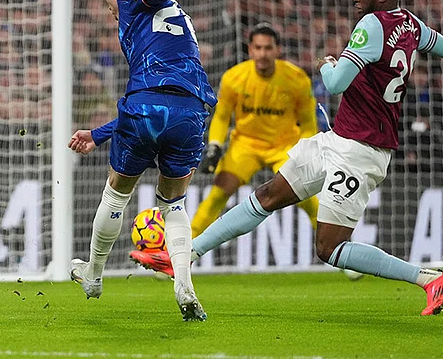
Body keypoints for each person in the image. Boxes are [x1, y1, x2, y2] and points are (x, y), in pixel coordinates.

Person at [130, 0, 443, 316]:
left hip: (361, 151)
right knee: (267, 195)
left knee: (329, 249)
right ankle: (185, 255)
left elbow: (337, 83)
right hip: (340, 140)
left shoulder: (371, 25)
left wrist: (328, 65)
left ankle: (428, 278)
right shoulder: (411, 24)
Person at [67, 0, 216, 322]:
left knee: (117, 191)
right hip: (191, 111)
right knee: (174, 204)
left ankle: (94, 275)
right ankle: (184, 284)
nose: (109, 10)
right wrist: (99, 135)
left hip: (146, 107)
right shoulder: (178, 16)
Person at [131, 22, 324, 273]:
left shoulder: (296, 79)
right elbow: (221, 117)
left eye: (268, 48)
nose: (263, 53)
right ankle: (179, 256)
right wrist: (214, 146)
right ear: (250, 50)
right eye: (258, 48)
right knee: (218, 194)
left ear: (278, 50)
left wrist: (305, 151)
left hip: (283, 146)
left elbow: (309, 122)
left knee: (307, 199)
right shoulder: (235, 78)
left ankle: (335, 249)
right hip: (246, 146)